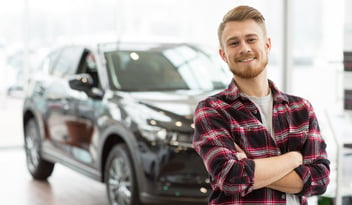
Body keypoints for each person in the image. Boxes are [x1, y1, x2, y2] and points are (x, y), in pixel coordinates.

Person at [192, 5, 330, 205]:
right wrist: (294, 158)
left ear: (267, 44)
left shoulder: (301, 109)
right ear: (223, 55)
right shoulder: (212, 110)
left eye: (251, 39)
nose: (244, 48)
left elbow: (320, 179)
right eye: (234, 43)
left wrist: (250, 166)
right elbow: (231, 177)